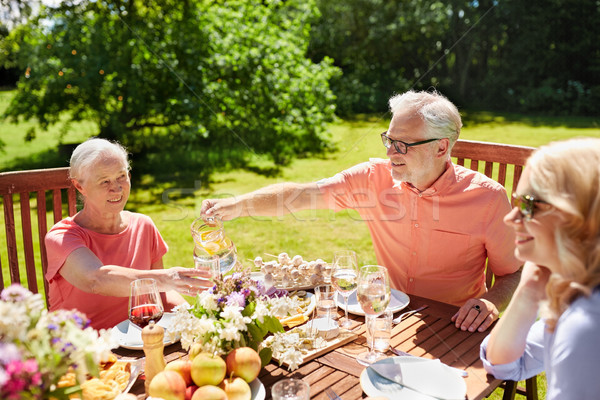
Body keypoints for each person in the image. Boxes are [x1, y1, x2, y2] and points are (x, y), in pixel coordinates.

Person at [201, 90, 522, 332]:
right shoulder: (373, 178)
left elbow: (515, 271)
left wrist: (490, 302)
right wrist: (239, 204)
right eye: (388, 140)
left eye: (403, 145)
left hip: (454, 324)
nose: (389, 153)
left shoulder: (488, 199)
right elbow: (304, 195)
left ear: (441, 147)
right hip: (388, 313)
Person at [45, 138, 211, 330]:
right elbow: (96, 279)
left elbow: (161, 296)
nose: (116, 188)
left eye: (121, 176)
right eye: (104, 181)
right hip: (81, 349)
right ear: (79, 186)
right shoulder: (62, 237)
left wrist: (198, 322)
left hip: (136, 343)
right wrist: (167, 278)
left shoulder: (143, 225)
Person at [480, 138, 600, 398]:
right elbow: (503, 363)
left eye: (528, 205)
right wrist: (529, 289)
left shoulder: (588, 326)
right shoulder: (577, 292)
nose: (510, 218)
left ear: (581, 217)